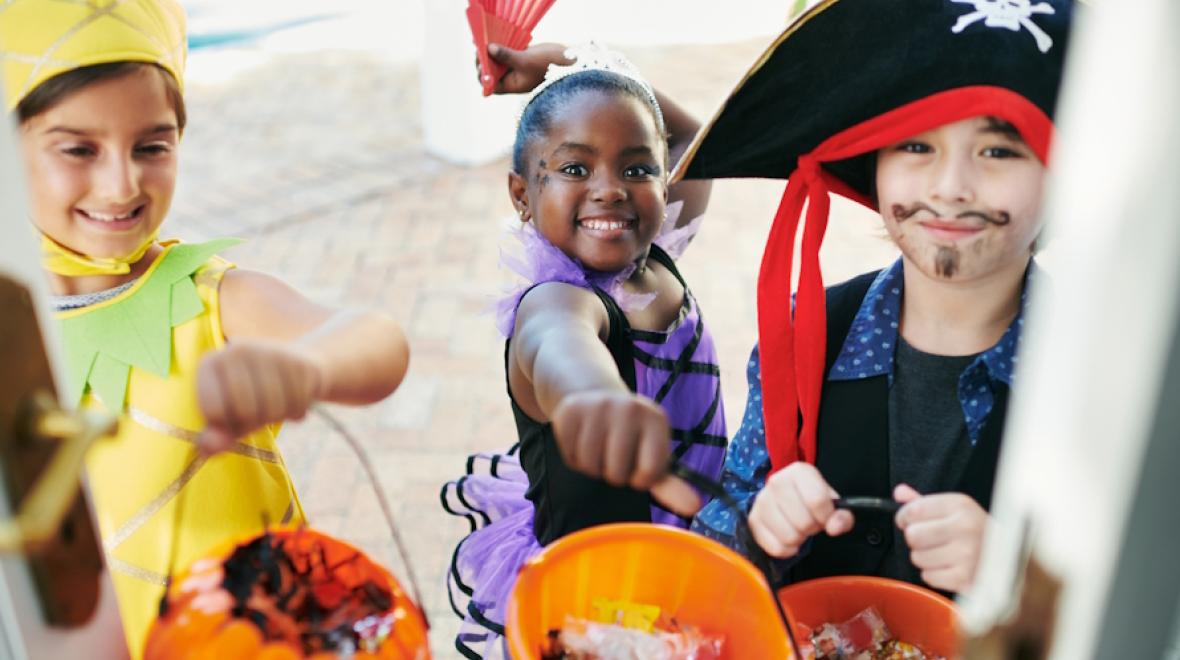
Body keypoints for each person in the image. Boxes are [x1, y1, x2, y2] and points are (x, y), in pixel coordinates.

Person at [1, 2, 409, 655]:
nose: (121, 185)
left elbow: (378, 342)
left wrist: (306, 367)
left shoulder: (212, 301)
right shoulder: (13, 337)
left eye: (152, 146)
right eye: (78, 149)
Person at [686, 0, 1075, 595]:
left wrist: (1021, 580)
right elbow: (712, 555)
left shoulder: (1103, 375)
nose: (950, 187)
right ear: (873, 164)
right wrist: (758, 527)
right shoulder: (809, 334)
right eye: (916, 146)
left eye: (998, 151)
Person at [439, 43, 721, 657]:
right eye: (574, 169)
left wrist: (569, 60)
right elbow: (560, 345)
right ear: (522, 195)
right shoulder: (557, 302)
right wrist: (592, 395)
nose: (610, 190)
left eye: (637, 170)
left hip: (690, 555)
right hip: (602, 601)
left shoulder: (657, 254)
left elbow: (696, 138)